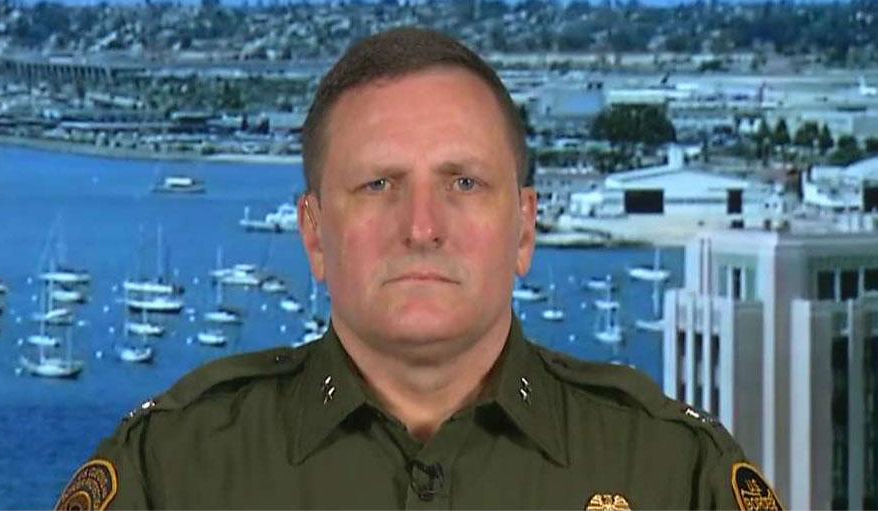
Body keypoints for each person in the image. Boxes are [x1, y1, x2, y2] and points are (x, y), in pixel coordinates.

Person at [56, 27, 781, 510]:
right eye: (379, 184)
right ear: (314, 233)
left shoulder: (673, 471)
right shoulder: (173, 468)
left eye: (464, 182)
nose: (422, 228)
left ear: (525, 228)